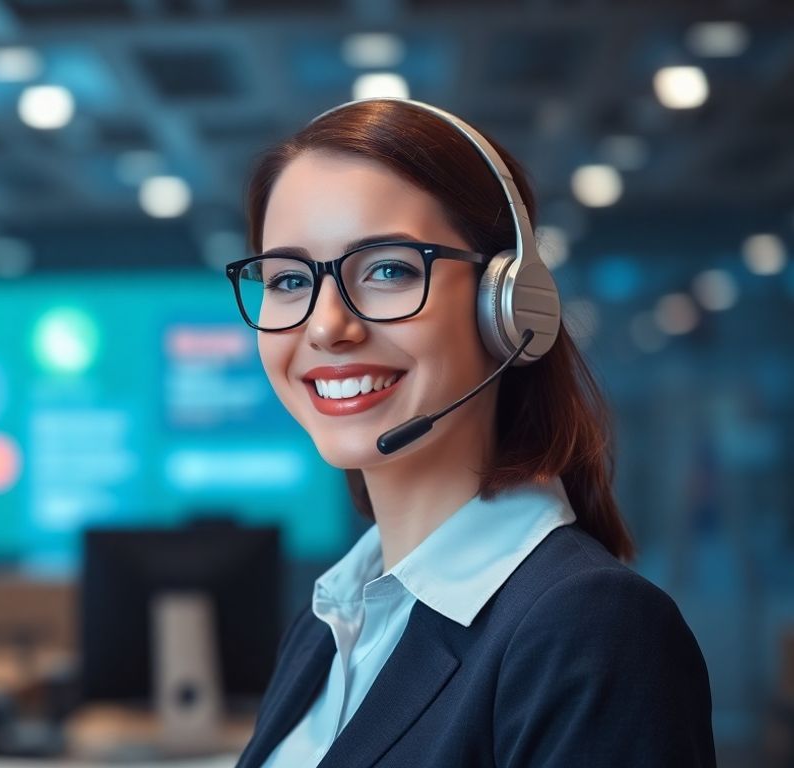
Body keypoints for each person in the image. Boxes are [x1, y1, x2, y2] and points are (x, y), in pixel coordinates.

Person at [225, 98, 715, 767]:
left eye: (388, 270)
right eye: (287, 279)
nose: (325, 327)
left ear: (509, 307)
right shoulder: (330, 623)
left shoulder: (591, 628)